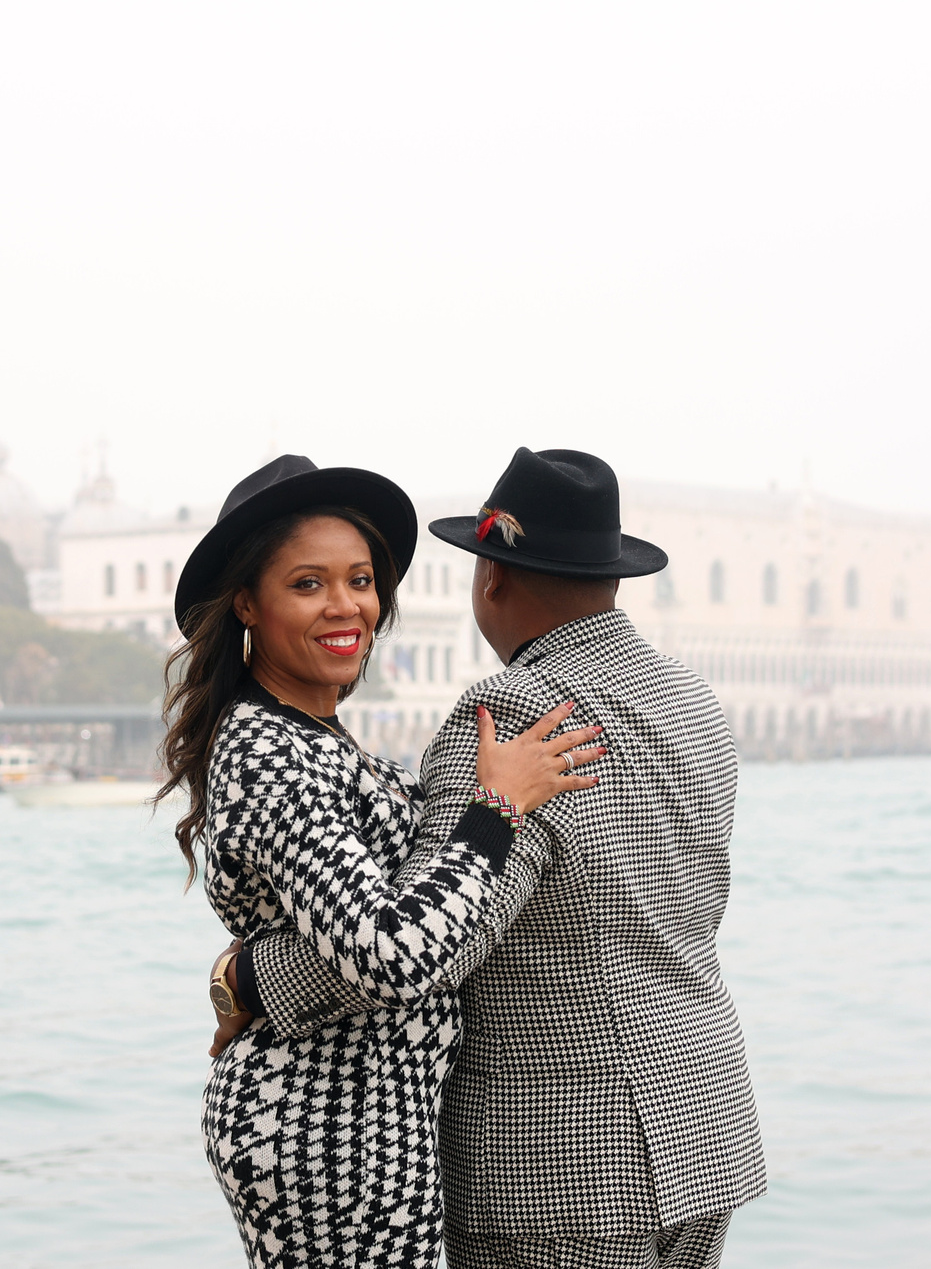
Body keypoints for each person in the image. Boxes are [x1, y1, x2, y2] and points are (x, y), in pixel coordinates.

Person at [228, 447, 767, 1269]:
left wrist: (255, 979)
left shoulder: (509, 712)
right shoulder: (691, 700)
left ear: (492, 579)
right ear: (612, 577)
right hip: (706, 1124)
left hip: (558, 1164)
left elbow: (434, 940)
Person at [161, 454, 604, 1269]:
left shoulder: (310, 736)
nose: (347, 605)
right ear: (248, 604)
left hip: (367, 1117)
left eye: (360, 578)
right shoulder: (267, 751)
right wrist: (497, 807)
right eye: (308, 583)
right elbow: (391, 951)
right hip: (322, 1132)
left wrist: (245, 976)